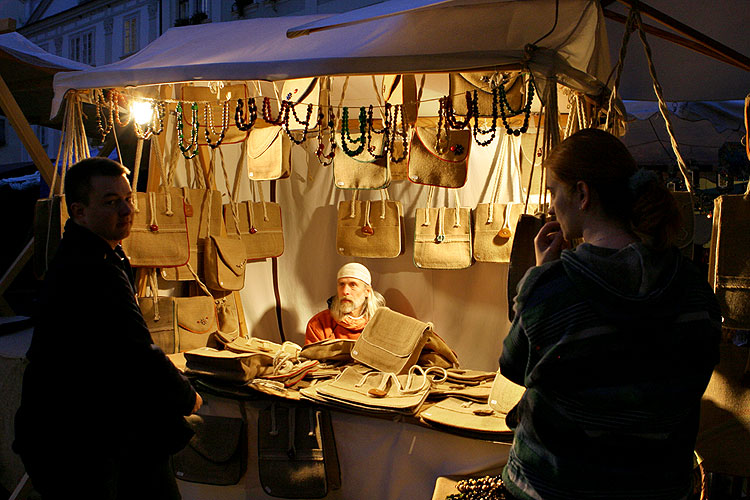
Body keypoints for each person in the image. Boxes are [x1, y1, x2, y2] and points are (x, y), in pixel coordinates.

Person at [499, 129, 720, 500]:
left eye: (555, 191)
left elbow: (513, 366)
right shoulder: (694, 289)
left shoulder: (551, 289)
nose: (552, 205)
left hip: (555, 488)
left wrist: (540, 275)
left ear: (582, 195)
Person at [14, 157, 202, 500]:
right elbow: (136, 348)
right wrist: (186, 395)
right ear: (80, 211)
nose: (127, 209)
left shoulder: (102, 255)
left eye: (129, 199)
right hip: (72, 437)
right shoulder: (90, 265)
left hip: (90, 430)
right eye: (111, 202)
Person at [305, 262, 386, 344]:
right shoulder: (320, 323)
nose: (345, 291)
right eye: (341, 284)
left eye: (353, 285)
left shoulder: (382, 325)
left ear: (367, 291)